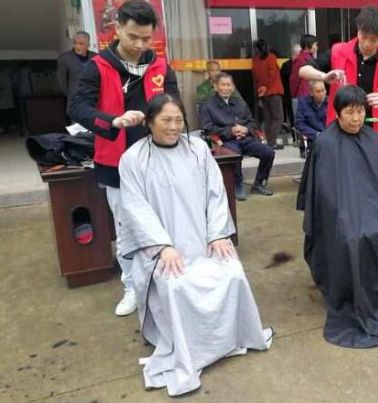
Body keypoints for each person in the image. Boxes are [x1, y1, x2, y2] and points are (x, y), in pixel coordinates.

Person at [117, 94, 272, 396]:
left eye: (179, 120)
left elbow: (216, 194)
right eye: (166, 120)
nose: (174, 127)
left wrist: (217, 234)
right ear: (149, 122)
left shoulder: (199, 150)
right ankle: (191, 349)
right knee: (176, 285)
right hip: (163, 248)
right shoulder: (133, 159)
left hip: (202, 241)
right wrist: (162, 246)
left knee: (232, 272)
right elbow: (135, 209)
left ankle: (231, 337)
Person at [69, 0, 180, 316]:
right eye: (133, 37)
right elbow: (77, 108)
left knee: (164, 220)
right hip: (115, 161)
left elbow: (173, 104)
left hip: (158, 158)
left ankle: (166, 280)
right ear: (116, 29)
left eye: (146, 38)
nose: (140, 45)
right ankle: (132, 287)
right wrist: (113, 121)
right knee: (126, 226)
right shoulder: (98, 67)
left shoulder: (159, 66)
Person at [296, 85, 378, 348]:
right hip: (340, 213)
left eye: (360, 111)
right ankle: (354, 297)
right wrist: (344, 215)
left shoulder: (373, 140)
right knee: (353, 238)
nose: (356, 118)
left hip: (374, 209)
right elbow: (324, 194)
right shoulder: (325, 143)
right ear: (338, 113)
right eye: (350, 112)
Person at [299, 6, 378, 163]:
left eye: (373, 39)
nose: (367, 43)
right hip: (341, 129)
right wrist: (324, 76)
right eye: (363, 36)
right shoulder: (338, 52)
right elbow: (303, 70)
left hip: (373, 133)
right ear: (358, 30)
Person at [200, 73, 275, 200]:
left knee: (268, 152)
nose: (226, 88)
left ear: (233, 87)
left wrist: (245, 129)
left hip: (245, 138)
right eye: (223, 85)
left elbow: (252, 122)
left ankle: (259, 183)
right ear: (216, 87)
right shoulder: (208, 106)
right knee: (235, 154)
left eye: (228, 85)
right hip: (225, 141)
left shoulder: (240, 102)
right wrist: (230, 131)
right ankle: (237, 185)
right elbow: (207, 128)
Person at [251, 39, 285, 150]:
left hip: (262, 93)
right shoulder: (271, 57)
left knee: (268, 118)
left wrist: (260, 88)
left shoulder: (255, 60)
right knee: (278, 117)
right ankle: (272, 142)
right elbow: (273, 74)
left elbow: (255, 77)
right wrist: (266, 86)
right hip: (274, 91)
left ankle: (269, 141)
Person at [57, 31, 97, 117]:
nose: (77, 46)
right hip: (75, 102)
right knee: (77, 125)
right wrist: (73, 95)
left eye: (81, 44)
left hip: (94, 101)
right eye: (75, 43)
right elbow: (62, 83)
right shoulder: (64, 58)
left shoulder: (96, 57)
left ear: (88, 45)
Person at [294, 79, 327, 157]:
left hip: (328, 138)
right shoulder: (303, 103)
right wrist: (315, 134)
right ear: (311, 93)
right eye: (318, 91)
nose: (321, 94)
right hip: (311, 139)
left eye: (323, 90)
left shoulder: (330, 103)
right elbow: (299, 123)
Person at [290, 34, 318, 102]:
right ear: (307, 45)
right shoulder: (300, 59)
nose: (317, 47)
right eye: (315, 45)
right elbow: (294, 79)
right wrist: (294, 94)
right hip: (304, 95)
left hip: (312, 94)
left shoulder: (310, 58)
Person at [281, 44, 301, 131]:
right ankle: (294, 134)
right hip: (289, 95)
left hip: (296, 94)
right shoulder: (287, 66)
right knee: (293, 116)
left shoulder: (288, 65)